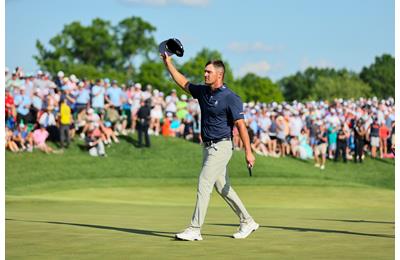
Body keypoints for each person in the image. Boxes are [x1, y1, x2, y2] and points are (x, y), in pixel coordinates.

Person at [161, 53, 258, 241]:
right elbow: (183, 82)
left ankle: (195, 228)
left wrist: (248, 151)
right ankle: (248, 221)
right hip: (207, 147)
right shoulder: (204, 92)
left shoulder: (231, 97)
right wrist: (168, 64)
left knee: (204, 182)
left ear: (219, 75)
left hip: (222, 147)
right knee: (223, 188)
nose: (205, 74)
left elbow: (241, 126)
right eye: (204, 71)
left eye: (208, 72)